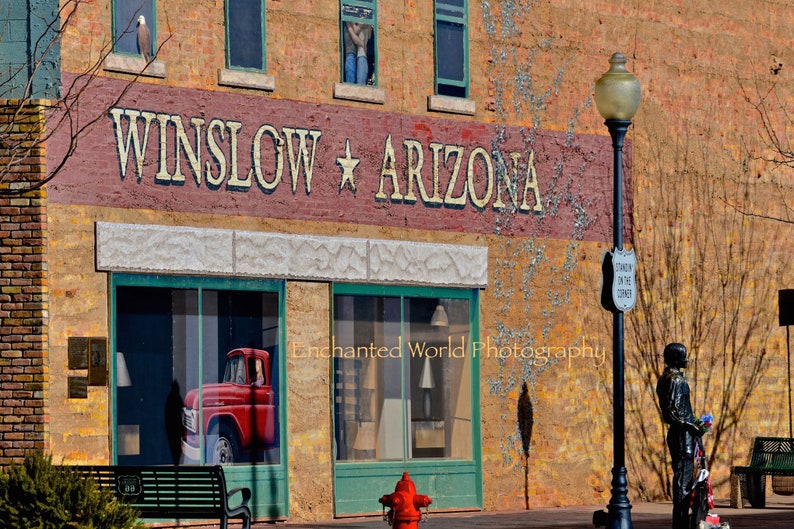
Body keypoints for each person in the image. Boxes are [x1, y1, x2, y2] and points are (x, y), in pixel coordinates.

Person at [655, 343, 706, 529]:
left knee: (683, 478)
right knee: (683, 481)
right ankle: (682, 522)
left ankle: (682, 520)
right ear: (676, 358)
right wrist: (692, 427)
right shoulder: (675, 380)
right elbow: (672, 411)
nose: (687, 359)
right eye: (684, 356)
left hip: (683, 434)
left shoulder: (667, 378)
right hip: (682, 436)